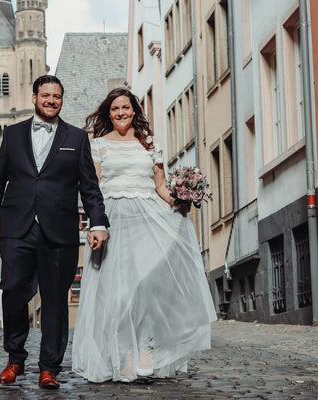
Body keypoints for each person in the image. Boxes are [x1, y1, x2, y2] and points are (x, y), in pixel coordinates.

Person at [72, 88, 217, 383]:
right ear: (108, 113)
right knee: (118, 291)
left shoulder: (150, 143)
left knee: (147, 286)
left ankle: (146, 346)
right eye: (115, 109)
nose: (121, 112)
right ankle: (123, 353)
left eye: (126, 107)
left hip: (148, 217)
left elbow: (160, 186)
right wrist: (94, 225)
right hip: (113, 220)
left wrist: (181, 199)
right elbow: (93, 189)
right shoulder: (97, 145)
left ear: (135, 111)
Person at [0, 75, 109, 389]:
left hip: (59, 231)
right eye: (46, 95)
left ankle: (49, 367)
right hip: (17, 228)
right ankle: (15, 359)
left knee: (54, 301)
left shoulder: (77, 137)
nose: (51, 101)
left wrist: (97, 222)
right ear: (35, 97)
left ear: (61, 100)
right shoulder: (12, 135)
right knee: (12, 292)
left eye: (56, 96)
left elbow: (89, 187)